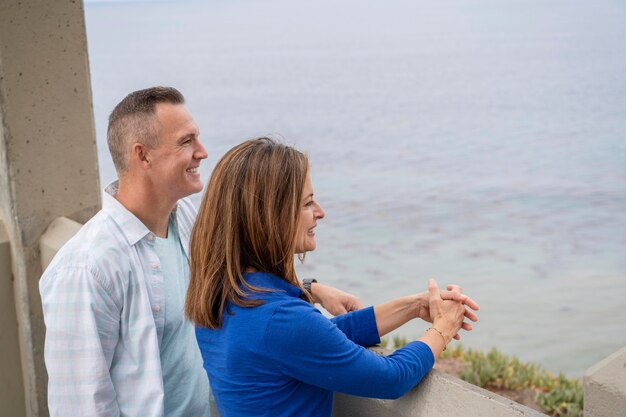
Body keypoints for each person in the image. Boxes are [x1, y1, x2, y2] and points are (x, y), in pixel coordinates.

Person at [39, 87, 363, 417]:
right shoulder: (84, 267)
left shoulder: (190, 222)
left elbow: (231, 293)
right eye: (186, 141)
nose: (203, 152)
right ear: (142, 155)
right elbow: (78, 405)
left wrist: (309, 289)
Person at [186, 137, 480, 417]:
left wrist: (413, 307)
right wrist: (442, 329)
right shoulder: (278, 319)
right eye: (307, 203)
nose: (320, 212)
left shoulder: (226, 298)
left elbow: (321, 338)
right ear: (270, 217)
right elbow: (390, 379)